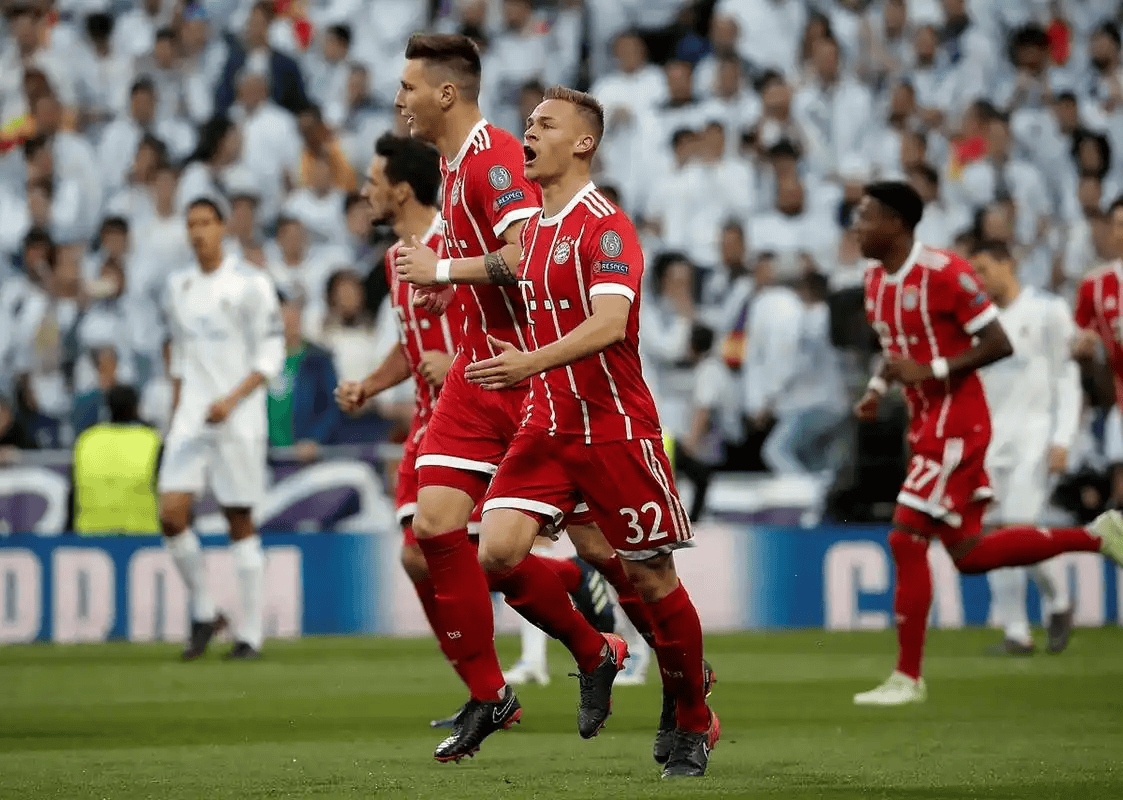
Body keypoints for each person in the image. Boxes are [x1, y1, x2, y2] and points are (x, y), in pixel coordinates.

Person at [390, 35, 644, 762]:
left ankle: (668, 658)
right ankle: (491, 693)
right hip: (478, 370)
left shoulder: (497, 158)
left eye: (409, 86)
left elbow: (522, 256)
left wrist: (444, 270)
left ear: (445, 93)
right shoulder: (452, 164)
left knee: (600, 546)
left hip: (531, 370)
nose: (400, 99)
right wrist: (448, 284)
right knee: (434, 529)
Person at [462, 87, 718, 779]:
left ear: (583, 143)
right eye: (527, 122)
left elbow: (608, 324)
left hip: (613, 429)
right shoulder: (534, 232)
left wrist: (529, 361)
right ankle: (596, 650)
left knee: (651, 577)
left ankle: (692, 717)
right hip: (547, 425)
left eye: (544, 124)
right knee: (497, 551)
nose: (528, 132)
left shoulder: (605, 226)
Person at [852, 181, 1123, 707]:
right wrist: (876, 389)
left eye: (866, 218)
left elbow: (999, 342)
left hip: (959, 423)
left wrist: (932, 370)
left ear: (896, 224)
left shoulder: (944, 272)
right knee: (970, 553)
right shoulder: (874, 282)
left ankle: (907, 677)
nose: (856, 228)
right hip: (926, 424)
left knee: (906, 538)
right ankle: (1096, 537)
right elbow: (895, 350)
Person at [159, 196, 284, 662]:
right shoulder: (179, 285)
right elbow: (179, 353)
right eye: (191, 224)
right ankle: (204, 611)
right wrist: (178, 410)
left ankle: (250, 633)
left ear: (223, 227)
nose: (197, 232)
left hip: (238, 417)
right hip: (192, 416)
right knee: (171, 513)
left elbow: (270, 354)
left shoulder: (250, 283)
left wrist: (231, 401)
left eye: (206, 222)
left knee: (238, 518)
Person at [973, 241, 1080, 655]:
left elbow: (1067, 377)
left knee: (1018, 526)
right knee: (991, 534)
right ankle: (1017, 631)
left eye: (984, 270)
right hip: (990, 441)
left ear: (1008, 264)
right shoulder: (978, 323)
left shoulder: (1047, 310)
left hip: (1035, 437)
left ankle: (1058, 600)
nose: (979, 280)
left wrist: (1062, 438)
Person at [73, 385, 161, 535]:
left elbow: (72, 492)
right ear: (136, 407)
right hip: (143, 537)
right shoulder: (152, 440)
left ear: (107, 408)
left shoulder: (86, 440)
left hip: (91, 536)